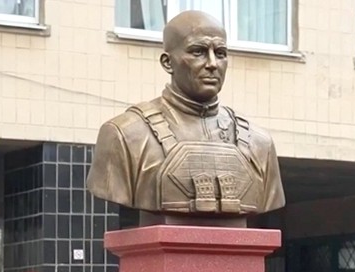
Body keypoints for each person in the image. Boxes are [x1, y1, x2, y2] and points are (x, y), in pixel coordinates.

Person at [87, 10, 285, 226]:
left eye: (220, 53)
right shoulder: (125, 135)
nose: (212, 63)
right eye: (198, 52)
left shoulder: (259, 144)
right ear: (168, 62)